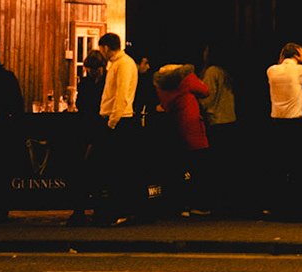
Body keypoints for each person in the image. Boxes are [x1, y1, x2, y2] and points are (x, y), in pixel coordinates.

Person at [265, 43, 302, 219]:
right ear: (297, 56)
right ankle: (295, 207)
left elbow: (278, 66)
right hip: (295, 123)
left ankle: (277, 206)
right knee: (296, 164)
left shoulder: (271, 70)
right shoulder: (299, 71)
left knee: (278, 165)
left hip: (276, 122)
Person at [96, 32, 142, 225]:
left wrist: (112, 122)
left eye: (101, 49)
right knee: (119, 168)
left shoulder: (122, 64)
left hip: (119, 120)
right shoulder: (122, 63)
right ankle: (122, 211)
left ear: (106, 48)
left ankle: (121, 211)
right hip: (119, 119)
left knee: (118, 169)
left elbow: (121, 95)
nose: (101, 53)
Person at [153, 63, 210, 215]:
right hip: (191, 125)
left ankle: (180, 205)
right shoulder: (186, 79)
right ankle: (199, 204)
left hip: (173, 126)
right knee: (199, 167)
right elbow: (205, 91)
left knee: (178, 168)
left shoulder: (160, 84)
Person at [66, 49, 107, 226]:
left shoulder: (85, 83)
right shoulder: (104, 82)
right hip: (98, 127)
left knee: (85, 171)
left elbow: (81, 104)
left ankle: (81, 212)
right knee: (95, 172)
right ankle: (96, 211)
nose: (91, 71)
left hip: (88, 128)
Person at [196, 46, 238, 213]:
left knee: (214, 165)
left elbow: (207, 97)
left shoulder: (211, 72)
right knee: (226, 165)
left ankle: (213, 202)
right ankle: (227, 202)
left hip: (217, 120)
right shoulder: (225, 72)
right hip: (229, 118)